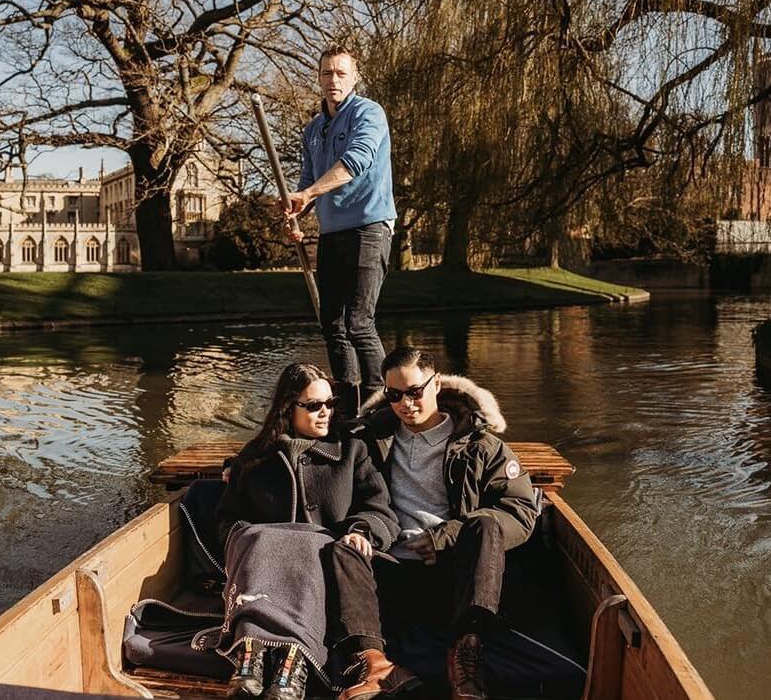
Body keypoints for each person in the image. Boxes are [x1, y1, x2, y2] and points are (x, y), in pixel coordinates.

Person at [327, 348, 540, 700]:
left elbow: (520, 512)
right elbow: (309, 438)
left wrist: (448, 536)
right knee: (343, 549)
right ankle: (375, 664)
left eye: (414, 392)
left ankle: (466, 655)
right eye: (394, 395)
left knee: (487, 525)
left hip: (451, 571)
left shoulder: (481, 445)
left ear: (436, 383)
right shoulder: (369, 436)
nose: (405, 404)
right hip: (391, 567)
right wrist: (241, 463)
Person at [213, 364, 417, 700]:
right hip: (266, 574)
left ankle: (292, 664)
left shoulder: (352, 449)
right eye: (313, 406)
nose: (325, 412)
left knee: (309, 543)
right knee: (261, 537)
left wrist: (361, 530)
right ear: (287, 409)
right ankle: (252, 656)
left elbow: (380, 508)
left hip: (326, 572)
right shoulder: (254, 459)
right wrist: (245, 538)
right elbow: (227, 520)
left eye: (330, 403)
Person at [286, 45, 397, 403]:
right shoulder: (313, 129)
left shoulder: (369, 113)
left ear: (354, 77)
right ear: (318, 78)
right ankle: (349, 404)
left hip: (369, 225)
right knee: (331, 323)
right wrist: (296, 208)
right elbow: (307, 182)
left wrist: (310, 193)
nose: (334, 80)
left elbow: (356, 162)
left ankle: (382, 401)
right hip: (333, 231)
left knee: (359, 322)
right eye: (327, 73)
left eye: (341, 73)